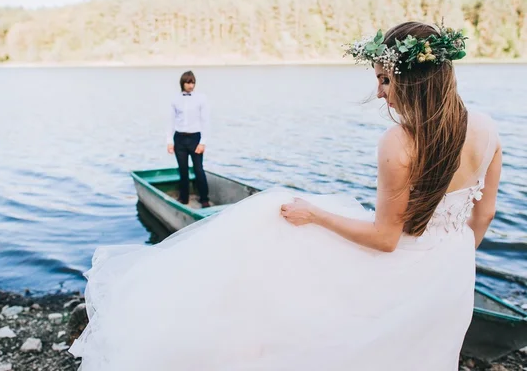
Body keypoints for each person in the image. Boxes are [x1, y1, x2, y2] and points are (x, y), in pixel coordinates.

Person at [69, 22, 502, 370]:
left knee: (271, 220)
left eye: (384, 79)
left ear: (411, 80)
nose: (379, 92)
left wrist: (314, 215)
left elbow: (386, 239)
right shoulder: (487, 127)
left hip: (408, 262)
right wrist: (447, 257)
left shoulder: (400, 142)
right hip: (454, 269)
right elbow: (483, 216)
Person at [166, 70, 210, 207]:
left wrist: (203, 142)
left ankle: (204, 199)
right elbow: (170, 121)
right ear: (183, 83)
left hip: (195, 138)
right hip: (179, 138)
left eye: (193, 83)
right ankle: (183, 198)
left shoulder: (201, 98)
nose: (191, 86)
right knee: (183, 169)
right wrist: (169, 141)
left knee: (198, 169)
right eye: (188, 83)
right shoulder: (175, 99)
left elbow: (205, 121)